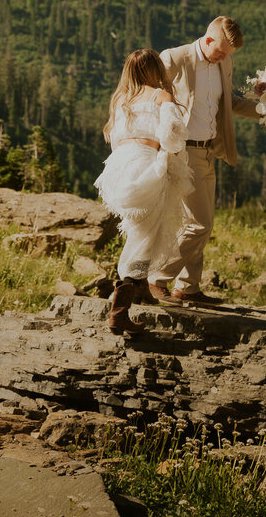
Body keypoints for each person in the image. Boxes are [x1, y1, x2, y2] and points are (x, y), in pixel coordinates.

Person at [148, 16, 259, 305]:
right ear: (207, 40)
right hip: (184, 151)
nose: (223, 58)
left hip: (210, 150)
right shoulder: (174, 58)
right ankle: (155, 278)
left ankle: (188, 287)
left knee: (194, 222)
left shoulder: (225, 62)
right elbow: (151, 96)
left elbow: (230, 102)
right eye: (220, 51)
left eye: (228, 55)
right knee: (201, 224)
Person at [94, 49, 192, 335]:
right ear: (154, 70)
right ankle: (119, 311)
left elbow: (114, 138)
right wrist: (170, 151)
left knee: (146, 227)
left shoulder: (121, 99)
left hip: (120, 166)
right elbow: (173, 130)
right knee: (145, 233)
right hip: (147, 164)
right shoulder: (160, 95)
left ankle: (140, 290)